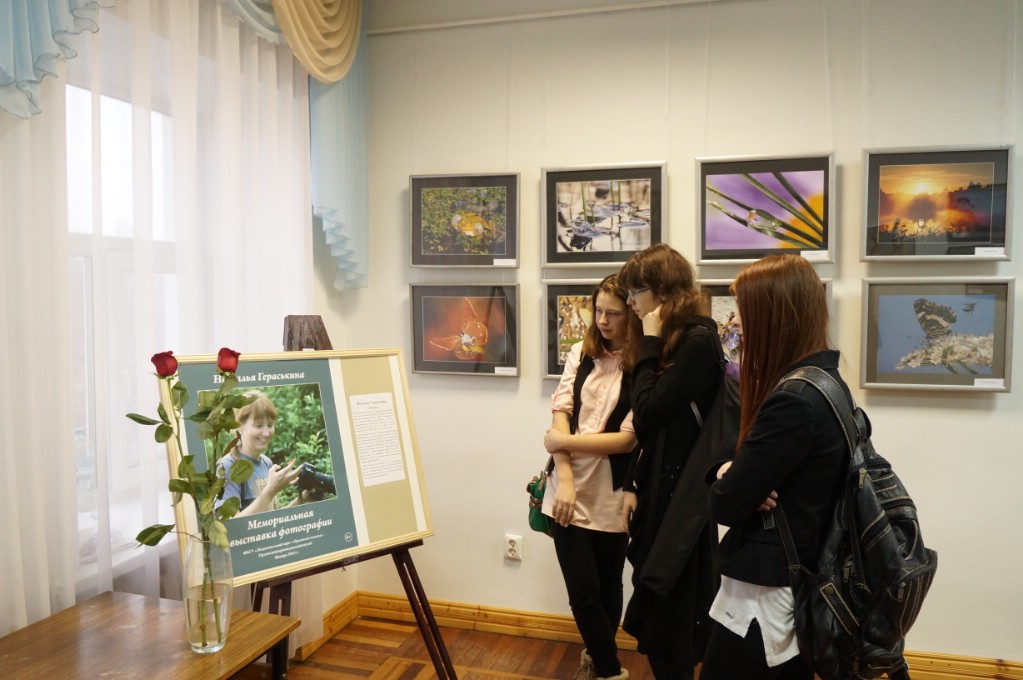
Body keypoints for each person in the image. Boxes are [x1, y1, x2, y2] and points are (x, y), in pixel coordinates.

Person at [700, 254, 849, 680]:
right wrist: (730, 472)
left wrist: (731, 479)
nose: (735, 322)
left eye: (743, 312)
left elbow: (725, 505)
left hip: (768, 594)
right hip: (794, 577)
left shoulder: (793, 401)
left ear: (773, 316)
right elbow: (736, 481)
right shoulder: (826, 382)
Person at [617, 243, 725, 680]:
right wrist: (632, 484)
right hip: (662, 492)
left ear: (661, 292)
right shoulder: (679, 340)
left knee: (673, 620)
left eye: (635, 292)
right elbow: (655, 431)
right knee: (662, 617)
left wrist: (649, 341)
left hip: (682, 503)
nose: (630, 302)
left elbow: (645, 413)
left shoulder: (697, 341)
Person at [541, 274, 643, 680]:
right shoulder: (580, 354)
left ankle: (597, 660)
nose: (602, 320)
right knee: (583, 594)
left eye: (613, 313)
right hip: (568, 485)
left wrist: (562, 442)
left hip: (612, 492)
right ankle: (610, 670)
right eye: (598, 310)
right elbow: (560, 412)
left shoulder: (645, 365)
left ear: (632, 314)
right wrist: (565, 480)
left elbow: (627, 441)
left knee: (608, 585)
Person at [217, 391, 303, 517]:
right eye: (258, 425)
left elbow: (272, 519)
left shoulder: (266, 462)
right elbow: (231, 524)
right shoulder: (227, 466)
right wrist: (270, 491)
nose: (267, 433)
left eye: (270, 425)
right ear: (239, 426)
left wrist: (302, 500)